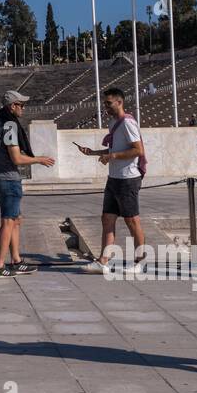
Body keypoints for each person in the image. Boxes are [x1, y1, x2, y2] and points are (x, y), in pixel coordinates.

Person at [0, 90, 55, 278]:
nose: (23, 108)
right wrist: (39, 159)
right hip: (7, 178)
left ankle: (16, 260)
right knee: (8, 221)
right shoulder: (9, 125)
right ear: (12, 106)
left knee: (16, 219)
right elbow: (15, 157)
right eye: (21, 105)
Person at [77, 87, 147, 270]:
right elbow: (114, 149)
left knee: (132, 220)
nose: (105, 107)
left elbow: (137, 150)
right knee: (107, 218)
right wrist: (93, 152)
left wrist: (113, 157)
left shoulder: (127, 123)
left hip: (128, 178)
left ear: (119, 102)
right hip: (114, 177)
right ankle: (103, 261)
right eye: (105, 103)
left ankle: (141, 261)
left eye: (108, 103)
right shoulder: (114, 123)